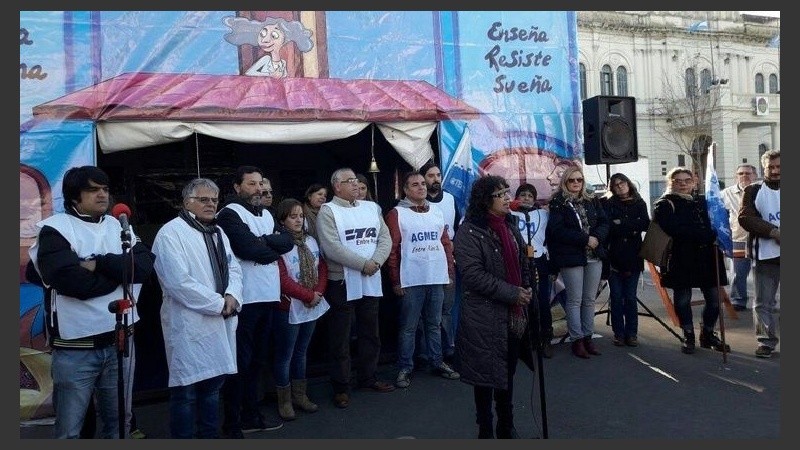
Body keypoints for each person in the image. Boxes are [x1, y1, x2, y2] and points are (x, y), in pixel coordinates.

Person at [26, 165, 155, 439]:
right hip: (76, 349)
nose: (101, 195)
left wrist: (98, 263)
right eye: (92, 190)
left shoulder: (119, 225)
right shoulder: (55, 230)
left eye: (105, 189)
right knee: (70, 430)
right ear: (74, 197)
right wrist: (121, 276)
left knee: (119, 422)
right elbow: (74, 284)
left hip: (120, 342)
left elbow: (144, 267)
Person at [151, 178, 243, 438]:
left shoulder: (218, 232)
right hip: (189, 323)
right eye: (204, 199)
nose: (211, 204)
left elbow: (234, 267)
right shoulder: (171, 233)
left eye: (214, 200)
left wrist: (232, 295)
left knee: (212, 390)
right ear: (186, 202)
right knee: (186, 394)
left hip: (221, 321)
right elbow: (178, 283)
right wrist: (219, 304)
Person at [215, 166, 294, 437]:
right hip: (245, 300)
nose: (259, 189)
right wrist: (268, 245)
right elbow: (249, 249)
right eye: (251, 184)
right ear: (237, 187)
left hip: (268, 296)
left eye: (260, 183)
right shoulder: (229, 214)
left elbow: (288, 241)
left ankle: (251, 413)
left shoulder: (268, 214)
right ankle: (233, 421)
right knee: (240, 362)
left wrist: (265, 243)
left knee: (257, 361)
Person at [453, 174, 532, 439]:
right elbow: (473, 275)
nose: (509, 198)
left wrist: (527, 284)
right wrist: (512, 293)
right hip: (483, 313)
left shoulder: (510, 224)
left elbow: (521, 260)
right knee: (485, 374)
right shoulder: (469, 231)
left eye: (508, 192)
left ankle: (506, 423)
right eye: (502, 194)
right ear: (487, 200)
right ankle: (485, 427)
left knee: (507, 370)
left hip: (511, 314)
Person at [316, 167, 395, 409]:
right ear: (336, 186)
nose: (354, 184)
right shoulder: (328, 211)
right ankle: (341, 386)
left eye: (355, 180)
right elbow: (331, 247)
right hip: (342, 281)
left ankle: (368, 377)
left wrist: (376, 263)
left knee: (370, 331)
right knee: (341, 336)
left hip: (370, 279)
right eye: (348, 181)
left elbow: (385, 238)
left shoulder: (371, 208)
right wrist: (363, 264)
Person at [385, 171, 459, 389]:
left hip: (435, 276)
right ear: (406, 190)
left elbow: (445, 243)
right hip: (411, 279)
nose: (421, 187)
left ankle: (437, 361)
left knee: (434, 323)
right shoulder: (397, 214)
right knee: (409, 326)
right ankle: (405, 366)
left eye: (422, 184)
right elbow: (393, 250)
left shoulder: (436, 211)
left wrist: (449, 272)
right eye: (415, 185)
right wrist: (395, 281)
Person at [653, 167, 730, 355]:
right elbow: (675, 229)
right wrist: (708, 235)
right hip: (682, 256)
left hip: (708, 257)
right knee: (682, 299)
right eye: (677, 181)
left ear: (694, 182)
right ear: (670, 183)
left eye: (687, 180)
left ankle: (708, 333)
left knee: (714, 299)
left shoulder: (705, 201)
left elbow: (718, 221)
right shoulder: (664, 204)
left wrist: (720, 224)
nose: (683, 184)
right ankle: (688, 335)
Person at [272, 198, 330, 420]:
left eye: (301, 216)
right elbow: (282, 278)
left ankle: (300, 395)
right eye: (292, 216)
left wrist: (318, 293)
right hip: (288, 307)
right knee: (284, 355)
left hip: (311, 304)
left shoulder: (311, 241)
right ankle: (284, 401)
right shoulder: (278, 243)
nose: (298, 220)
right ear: (283, 220)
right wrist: (308, 295)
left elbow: (322, 267)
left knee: (301, 352)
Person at [546, 166, 609, 359]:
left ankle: (588, 337)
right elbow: (556, 232)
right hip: (571, 256)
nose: (575, 183)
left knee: (590, 300)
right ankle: (577, 339)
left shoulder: (592, 200)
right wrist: (584, 239)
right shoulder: (558, 203)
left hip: (593, 255)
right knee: (575, 300)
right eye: (571, 180)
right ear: (565, 182)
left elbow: (604, 222)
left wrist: (596, 237)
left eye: (579, 180)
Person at [417, 160, 461, 365]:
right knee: (426, 309)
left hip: (447, 260)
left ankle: (448, 347)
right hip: (424, 260)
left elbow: (457, 229)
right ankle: (426, 351)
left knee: (446, 307)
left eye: (438, 176)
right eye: (431, 176)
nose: (435, 180)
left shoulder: (451, 199)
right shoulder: (416, 203)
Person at [739, 150, 780, 358]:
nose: (774, 171)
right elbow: (746, 218)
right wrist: (774, 232)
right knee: (764, 302)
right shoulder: (753, 190)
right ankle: (766, 342)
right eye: (770, 167)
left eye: (779, 167)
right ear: (764, 168)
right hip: (766, 255)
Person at [602, 173, 650, 347]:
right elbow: (608, 227)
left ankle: (632, 333)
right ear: (612, 188)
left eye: (622, 183)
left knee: (630, 296)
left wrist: (621, 224)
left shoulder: (639, 203)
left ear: (628, 184)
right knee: (616, 296)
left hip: (633, 256)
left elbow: (644, 224)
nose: (620, 186)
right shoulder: (608, 203)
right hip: (614, 256)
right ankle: (619, 333)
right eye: (616, 185)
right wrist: (629, 226)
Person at [510, 183, 554, 358]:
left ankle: (545, 338)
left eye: (530, 195)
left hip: (539, 261)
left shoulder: (543, 214)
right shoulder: (511, 214)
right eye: (523, 195)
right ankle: (526, 339)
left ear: (535, 199)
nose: (526, 198)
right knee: (523, 303)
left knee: (542, 302)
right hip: (519, 263)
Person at [223, 16, 314, 78]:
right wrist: (269, 74)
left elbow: (284, 78)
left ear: (284, 40)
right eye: (262, 34)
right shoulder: (265, 59)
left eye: (274, 35)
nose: (265, 40)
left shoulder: (282, 63)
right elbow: (249, 74)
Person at [720, 164, 757, 311]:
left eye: (748, 173)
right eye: (740, 173)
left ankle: (765, 302)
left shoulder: (761, 190)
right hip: (738, 239)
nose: (744, 176)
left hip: (760, 239)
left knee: (764, 274)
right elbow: (719, 217)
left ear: (755, 175)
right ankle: (738, 301)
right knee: (738, 273)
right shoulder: (726, 194)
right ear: (736, 176)